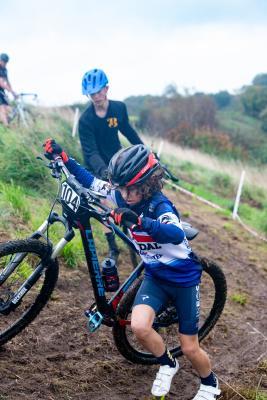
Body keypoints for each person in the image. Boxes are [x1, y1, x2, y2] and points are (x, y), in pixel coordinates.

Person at [43, 139, 221, 399]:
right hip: (155, 276)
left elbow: (172, 232)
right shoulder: (123, 193)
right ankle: (167, 363)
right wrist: (66, 159)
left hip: (183, 280)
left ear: (147, 185)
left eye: (130, 190)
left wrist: (139, 220)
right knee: (138, 327)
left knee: (190, 347)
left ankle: (210, 384)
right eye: (121, 189)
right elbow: (92, 182)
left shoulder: (161, 206)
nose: (123, 196)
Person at [79, 68, 143, 261]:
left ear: (106, 89)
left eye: (98, 91)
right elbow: (91, 152)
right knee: (103, 204)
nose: (96, 96)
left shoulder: (119, 108)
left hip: (118, 160)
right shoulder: (85, 120)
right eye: (91, 93)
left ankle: (136, 237)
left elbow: (128, 131)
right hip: (97, 165)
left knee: (131, 197)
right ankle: (112, 247)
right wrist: (104, 172)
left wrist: (144, 150)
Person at [0, 53, 17, 126]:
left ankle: (4, 122)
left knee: (9, 107)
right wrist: (11, 91)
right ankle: (6, 126)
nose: (5, 64)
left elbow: (7, 81)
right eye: (4, 62)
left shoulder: (5, 70)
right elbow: (1, 83)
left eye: (6, 62)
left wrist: (13, 92)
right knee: (2, 107)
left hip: (1, 90)